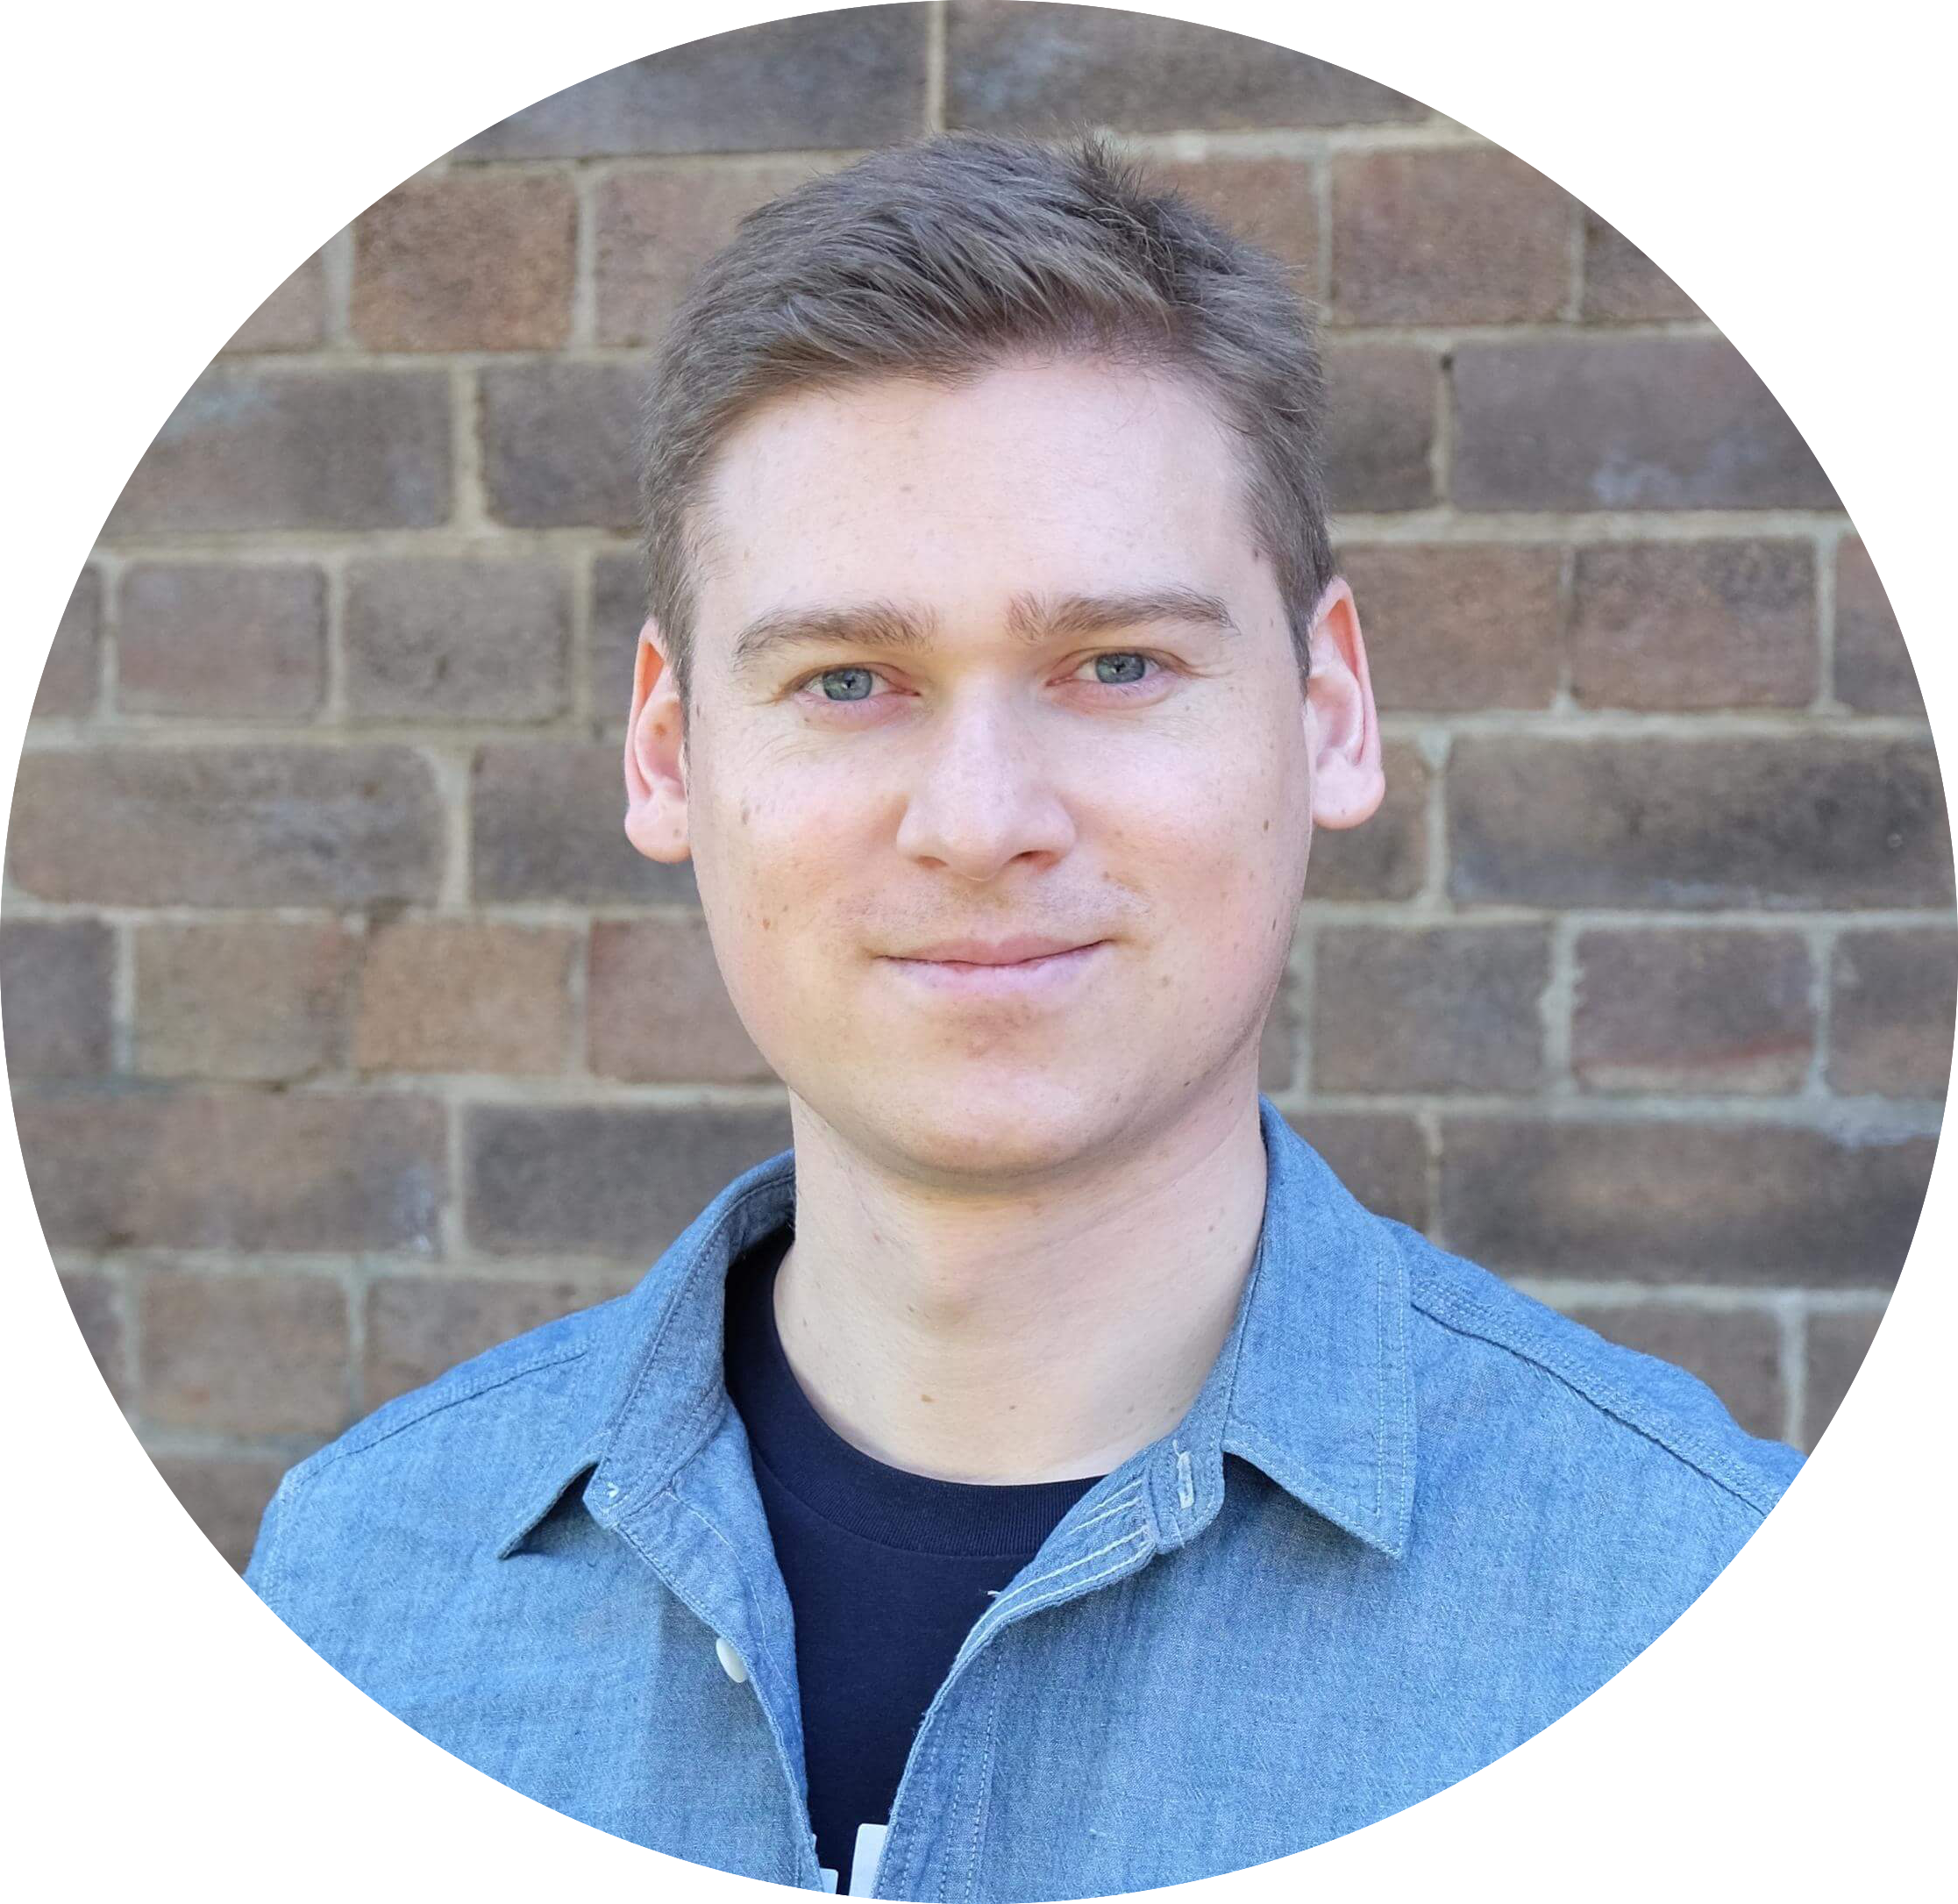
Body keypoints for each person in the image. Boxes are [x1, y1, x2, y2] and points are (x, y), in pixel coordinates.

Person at [245, 128, 1804, 1893]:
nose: (981, 820)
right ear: (668, 753)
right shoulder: (364, 1581)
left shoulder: (1666, 1578)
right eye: (850, 678)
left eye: (1118, 664)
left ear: (1332, 712)